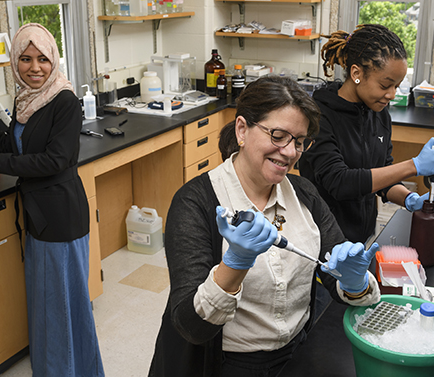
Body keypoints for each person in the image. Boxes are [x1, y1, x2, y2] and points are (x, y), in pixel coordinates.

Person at [148, 75, 381, 377]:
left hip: (298, 354)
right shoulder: (195, 203)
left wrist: (354, 283)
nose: (289, 152)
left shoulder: (304, 194)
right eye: (278, 135)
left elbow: (338, 284)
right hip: (226, 365)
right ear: (242, 129)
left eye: (299, 142)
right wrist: (234, 265)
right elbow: (191, 326)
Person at [0, 23, 104, 377]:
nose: (35, 68)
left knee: (63, 308)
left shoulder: (64, 100)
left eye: (42, 59)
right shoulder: (26, 100)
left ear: (54, 60)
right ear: (14, 63)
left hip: (61, 217)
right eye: (25, 59)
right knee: (49, 305)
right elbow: (10, 143)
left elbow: (55, 160)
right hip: (40, 216)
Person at [299, 24, 434, 244]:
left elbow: (382, 177)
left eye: (397, 86)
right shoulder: (318, 116)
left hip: (363, 237)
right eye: (385, 85)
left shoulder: (378, 113)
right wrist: (414, 166)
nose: (391, 95)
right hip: (322, 239)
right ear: (356, 73)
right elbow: (339, 182)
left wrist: (410, 199)